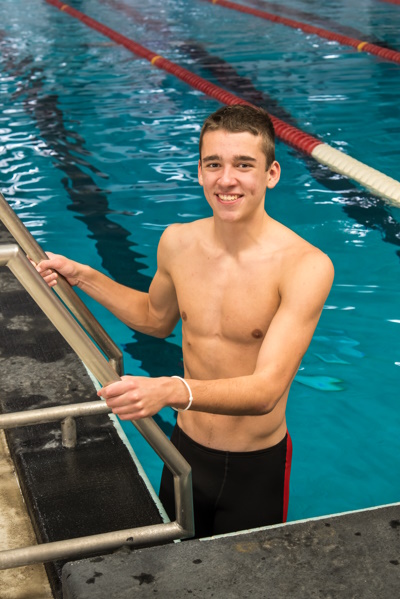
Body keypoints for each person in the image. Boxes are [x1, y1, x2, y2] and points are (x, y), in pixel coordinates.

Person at [35, 105, 334, 538]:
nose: (226, 179)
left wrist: (172, 389)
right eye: (214, 164)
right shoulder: (177, 242)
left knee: (247, 581)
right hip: (185, 453)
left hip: (255, 467)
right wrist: (83, 276)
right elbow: (155, 319)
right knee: (174, 566)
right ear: (199, 172)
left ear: (271, 174)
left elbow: (266, 390)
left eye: (243, 165)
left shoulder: (305, 266)